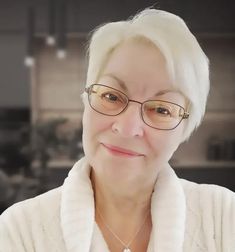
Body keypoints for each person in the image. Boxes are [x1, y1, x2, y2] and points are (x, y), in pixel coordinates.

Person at [0, 8, 235, 252]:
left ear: (185, 128)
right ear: (86, 99)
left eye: (162, 110)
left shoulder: (223, 218)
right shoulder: (20, 231)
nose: (127, 128)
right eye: (112, 96)